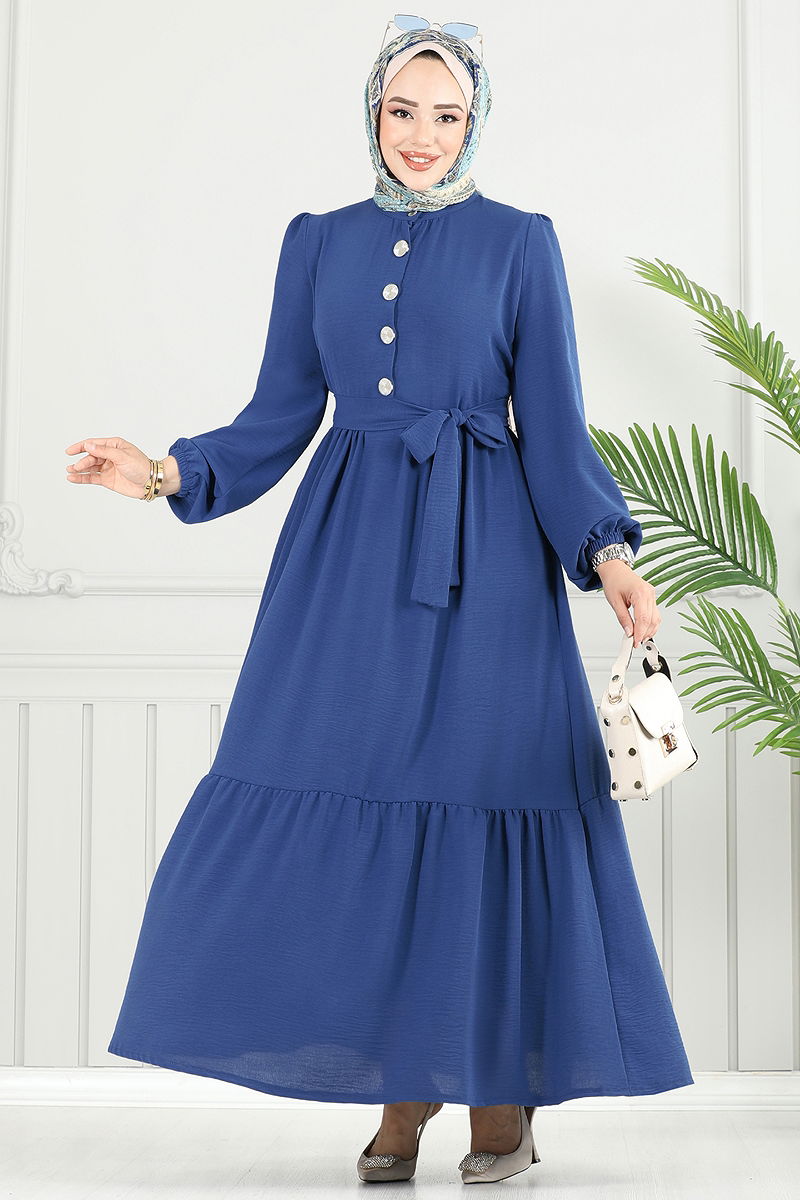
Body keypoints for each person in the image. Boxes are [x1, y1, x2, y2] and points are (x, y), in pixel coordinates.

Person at [65, 19, 694, 1186]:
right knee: (340, 782)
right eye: (402, 111)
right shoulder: (317, 242)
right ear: (371, 113)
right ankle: (400, 1088)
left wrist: (608, 555)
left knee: (485, 793)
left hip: (490, 562)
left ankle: (498, 1096)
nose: (421, 135)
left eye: (445, 115)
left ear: (474, 122)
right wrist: (160, 472)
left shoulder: (519, 242)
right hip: (346, 561)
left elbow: (554, 427)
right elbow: (277, 415)